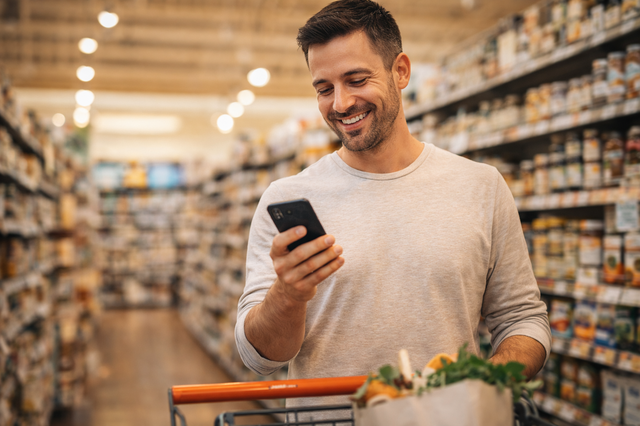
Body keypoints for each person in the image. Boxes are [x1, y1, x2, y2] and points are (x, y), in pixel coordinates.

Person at [235, 0, 551, 410]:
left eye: (356, 79)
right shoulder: (288, 198)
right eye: (324, 88)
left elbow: (522, 318)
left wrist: (487, 382)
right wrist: (287, 296)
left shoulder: (481, 186)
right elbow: (257, 357)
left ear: (400, 71)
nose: (341, 104)